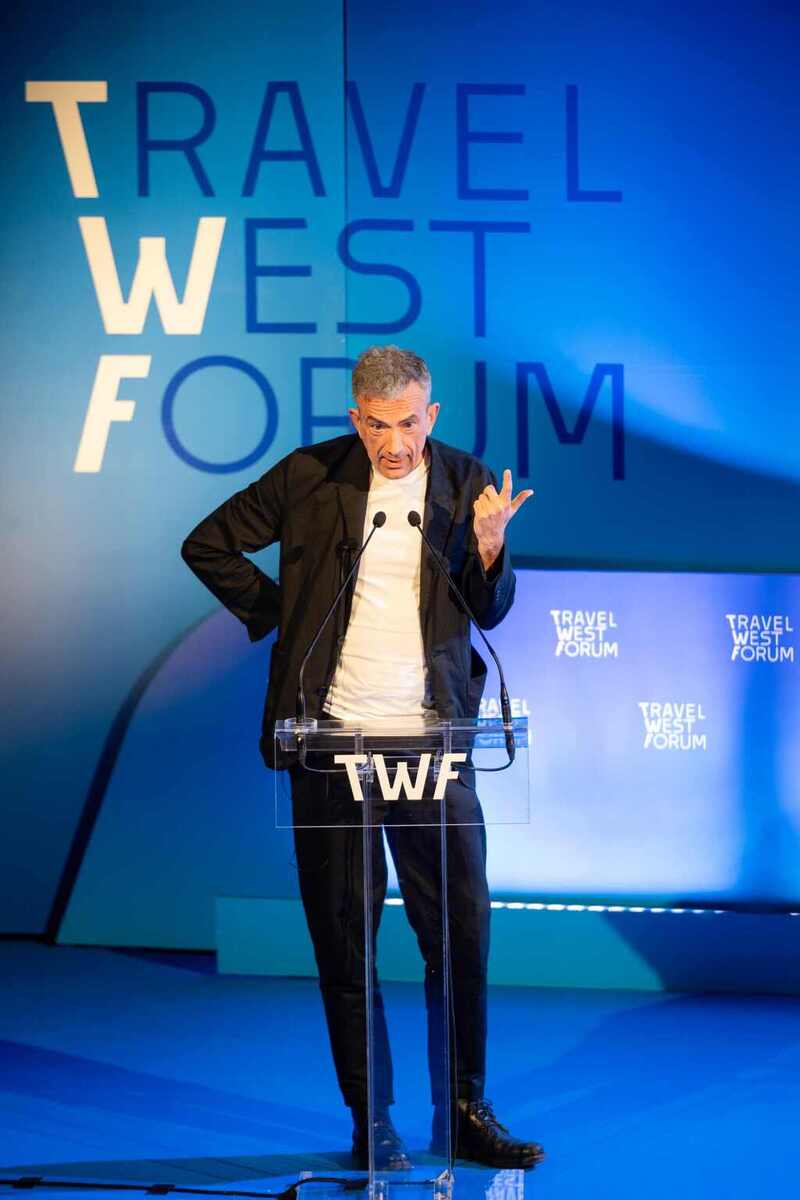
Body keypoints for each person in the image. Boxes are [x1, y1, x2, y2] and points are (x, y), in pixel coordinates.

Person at [180, 345, 544, 1170]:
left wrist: (491, 551)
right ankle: (370, 1121)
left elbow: (489, 610)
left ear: (431, 415)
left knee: (460, 933)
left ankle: (465, 1111)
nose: (394, 443)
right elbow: (208, 545)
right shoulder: (310, 476)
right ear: (356, 418)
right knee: (346, 941)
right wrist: (287, 615)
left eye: (408, 423)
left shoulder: (464, 481)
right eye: (377, 426)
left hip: (431, 744)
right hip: (331, 744)